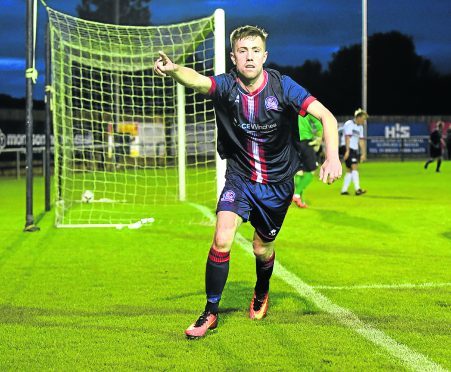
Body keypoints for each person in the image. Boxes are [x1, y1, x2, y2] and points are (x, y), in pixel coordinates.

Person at [154, 25, 342, 339]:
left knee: (261, 247)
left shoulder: (283, 86)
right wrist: (174, 70)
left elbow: (327, 117)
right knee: (222, 237)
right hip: (239, 177)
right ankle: (209, 312)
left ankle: (261, 290)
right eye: (243, 51)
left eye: (255, 50)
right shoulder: (227, 86)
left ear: (265, 56)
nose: (250, 56)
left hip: (277, 185)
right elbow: (200, 82)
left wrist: (332, 156)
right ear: (234, 57)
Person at [292, 114, 323, 208]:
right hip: (305, 143)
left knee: (299, 172)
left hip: (293, 143)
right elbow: (319, 126)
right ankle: (296, 195)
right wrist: (318, 140)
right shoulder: (306, 110)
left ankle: (300, 200)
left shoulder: (289, 110)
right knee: (312, 171)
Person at [340, 108, 368, 196]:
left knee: (349, 170)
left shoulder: (360, 127)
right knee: (355, 167)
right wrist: (347, 151)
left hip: (354, 149)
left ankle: (344, 190)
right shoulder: (349, 124)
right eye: (363, 119)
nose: (364, 121)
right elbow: (347, 137)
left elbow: (361, 140)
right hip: (347, 148)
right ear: (358, 117)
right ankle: (357, 189)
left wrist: (363, 153)